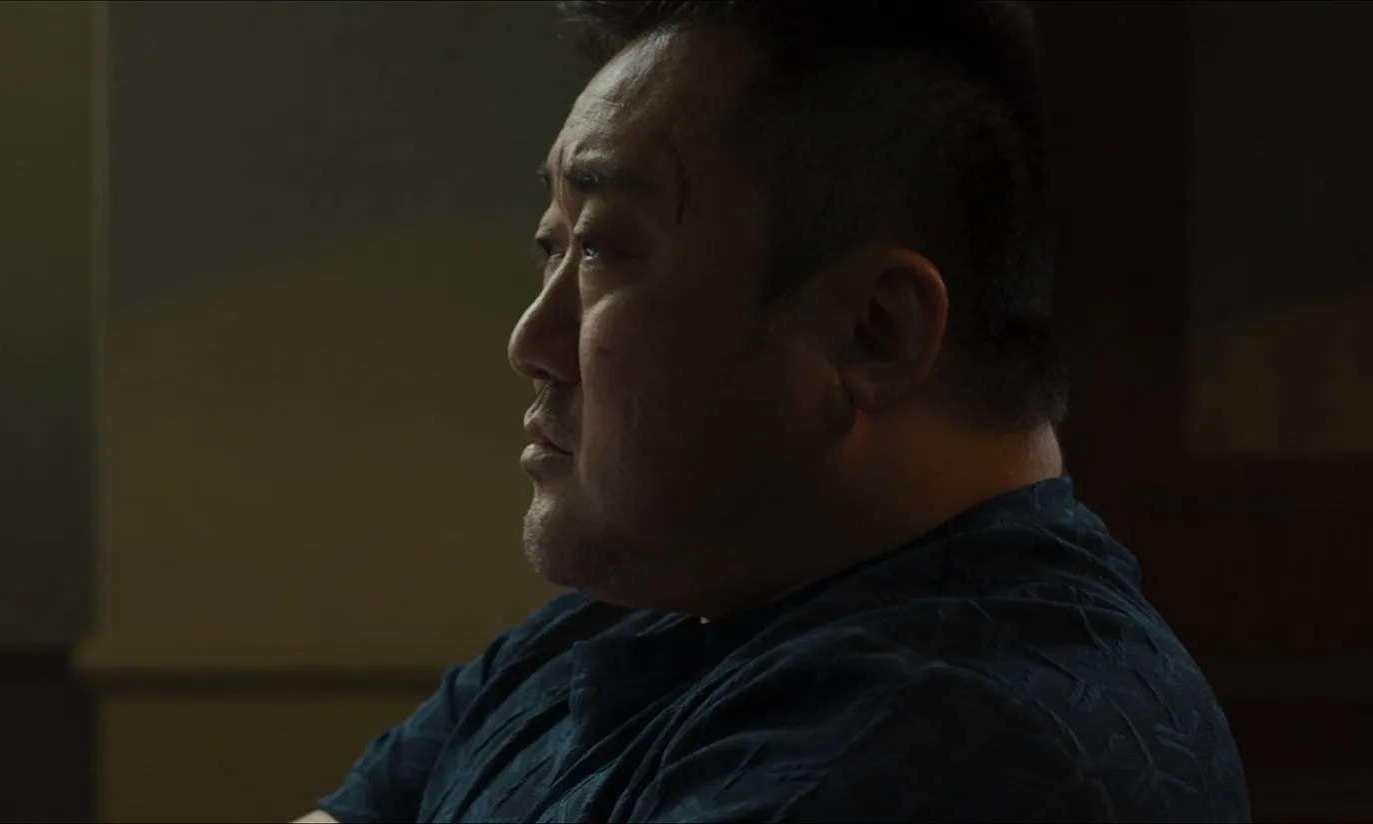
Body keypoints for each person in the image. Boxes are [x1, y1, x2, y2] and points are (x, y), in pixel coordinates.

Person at [300, 1, 1250, 822]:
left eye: (603, 251)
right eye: (555, 249)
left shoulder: (950, 747)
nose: (531, 342)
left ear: (872, 331)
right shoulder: (641, 610)